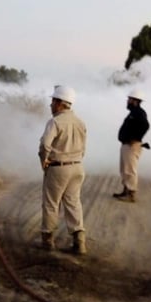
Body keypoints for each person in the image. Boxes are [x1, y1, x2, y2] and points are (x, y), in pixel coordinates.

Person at [38, 85, 87, 255]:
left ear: (60, 103)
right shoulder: (81, 122)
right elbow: (84, 147)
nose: (51, 105)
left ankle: (48, 240)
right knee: (73, 202)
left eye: (53, 101)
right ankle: (79, 240)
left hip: (59, 167)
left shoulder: (55, 122)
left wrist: (43, 160)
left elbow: (45, 144)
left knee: (51, 203)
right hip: (77, 166)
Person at [113, 88, 150, 203]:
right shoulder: (133, 113)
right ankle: (126, 190)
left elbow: (145, 126)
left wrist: (135, 138)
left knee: (130, 170)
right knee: (124, 169)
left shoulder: (139, 113)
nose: (127, 101)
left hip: (131, 146)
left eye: (129, 99)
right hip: (126, 145)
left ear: (135, 101)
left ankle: (131, 194)